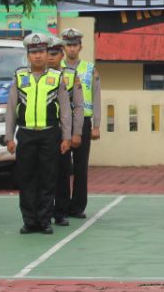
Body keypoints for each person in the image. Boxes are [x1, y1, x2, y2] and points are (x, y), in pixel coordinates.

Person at [6, 32, 73, 234]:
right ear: (27, 54)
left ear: (46, 53)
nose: (37, 56)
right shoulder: (19, 76)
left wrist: (66, 137)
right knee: (26, 178)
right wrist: (9, 137)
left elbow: (65, 110)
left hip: (49, 134)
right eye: (33, 52)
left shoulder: (56, 77)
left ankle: (44, 220)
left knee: (47, 178)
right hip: (26, 134)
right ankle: (29, 221)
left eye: (41, 52)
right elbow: (11, 108)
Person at [61, 27, 101, 219]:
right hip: (62, 122)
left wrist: (96, 125)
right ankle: (60, 204)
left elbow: (97, 97)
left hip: (83, 121)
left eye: (75, 45)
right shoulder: (55, 68)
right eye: (68, 45)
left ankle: (77, 207)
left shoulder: (90, 69)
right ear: (63, 47)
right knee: (61, 166)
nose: (71, 49)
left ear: (80, 46)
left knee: (80, 166)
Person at [47, 36, 84, 226]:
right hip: (43, 130)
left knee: (62, 172)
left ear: (61, 55)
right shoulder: (35, 75)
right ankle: (43, 211)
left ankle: (60, 212)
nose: (51, 57)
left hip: (63, 132)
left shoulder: (70, 75)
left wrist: (75, 133)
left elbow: (78, 106)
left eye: (55, 53)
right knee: (44, 173)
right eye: (49, 53)